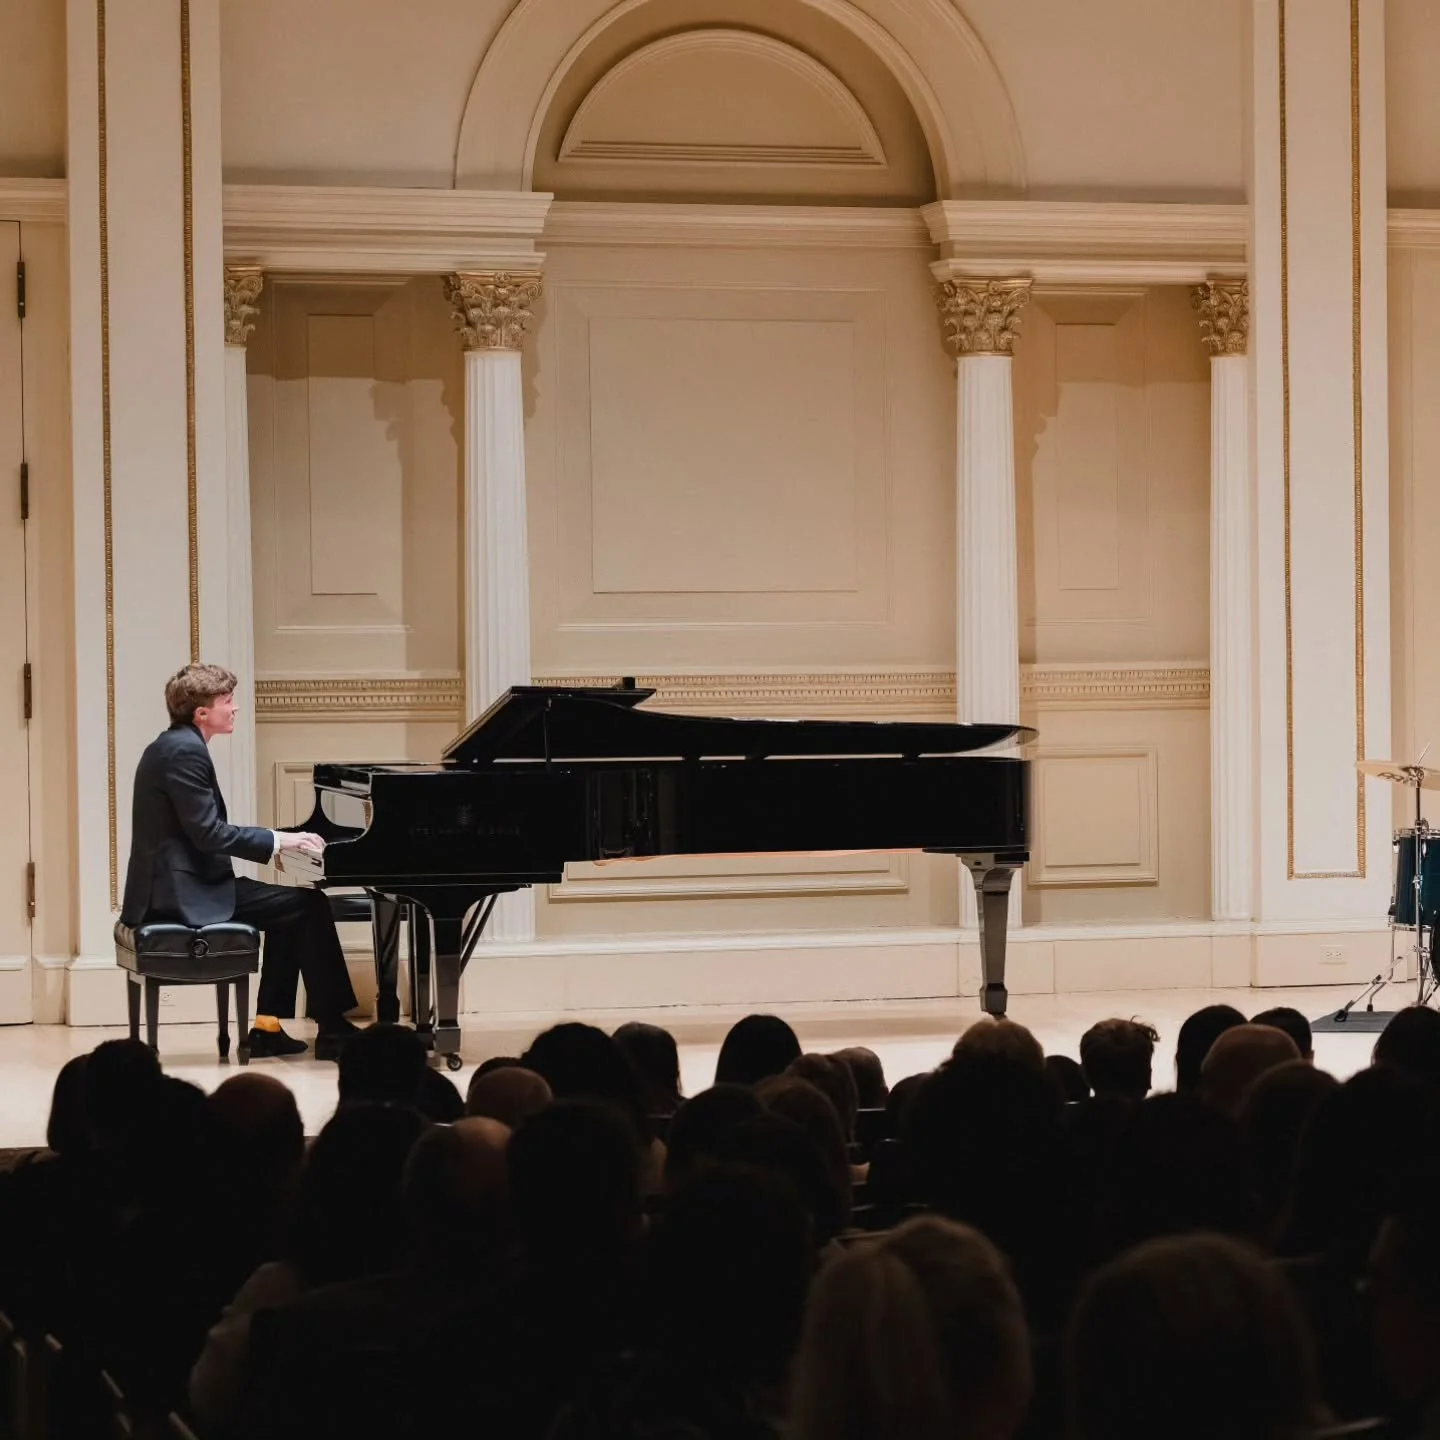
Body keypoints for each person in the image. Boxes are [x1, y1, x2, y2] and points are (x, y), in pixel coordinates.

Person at [120, 662, 358, 1059]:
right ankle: (332, 1029)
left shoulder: (172, 745)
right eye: (227, 701)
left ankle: (268, 1027)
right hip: (181, 894)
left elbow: (199, 834)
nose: (235, 708)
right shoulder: (184, 752)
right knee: (309, 905)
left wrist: (274, 846)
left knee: (291, 908)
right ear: (202, 713)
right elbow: (208, 833)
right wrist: (277, 841)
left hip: (178, 884)